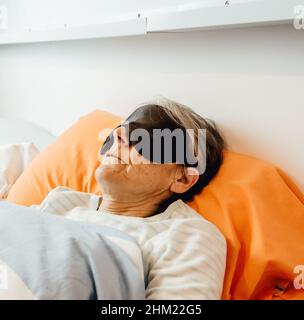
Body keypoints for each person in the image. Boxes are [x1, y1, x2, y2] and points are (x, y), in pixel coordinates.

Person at [35, 97, 227, 299]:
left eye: (145, 137)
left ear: (182, 178)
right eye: (120, 130)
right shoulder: (63, 201)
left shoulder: (187, 234)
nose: (117, 134)